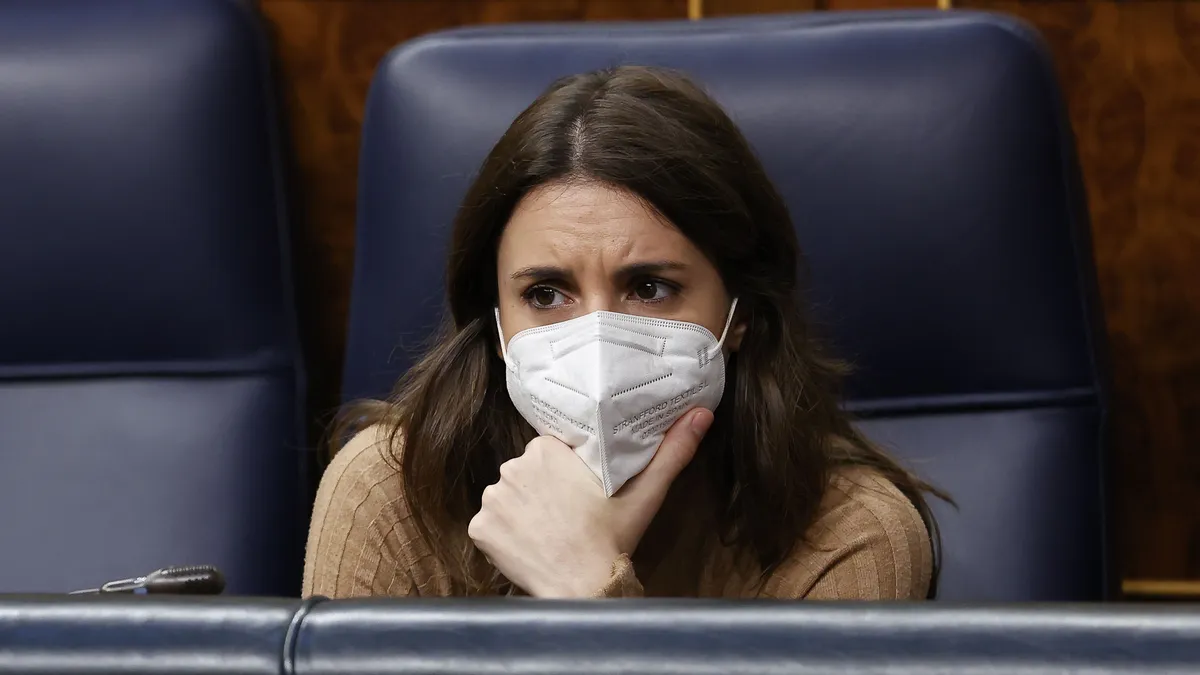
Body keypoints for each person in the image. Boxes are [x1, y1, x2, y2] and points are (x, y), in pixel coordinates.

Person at [303, 65, 947, 600]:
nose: (598, 344)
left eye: (649, 288)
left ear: (741, 313)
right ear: (497, 326)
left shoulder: (851, 535)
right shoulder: (391, 494)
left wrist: (586, 588)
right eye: (545, 294)